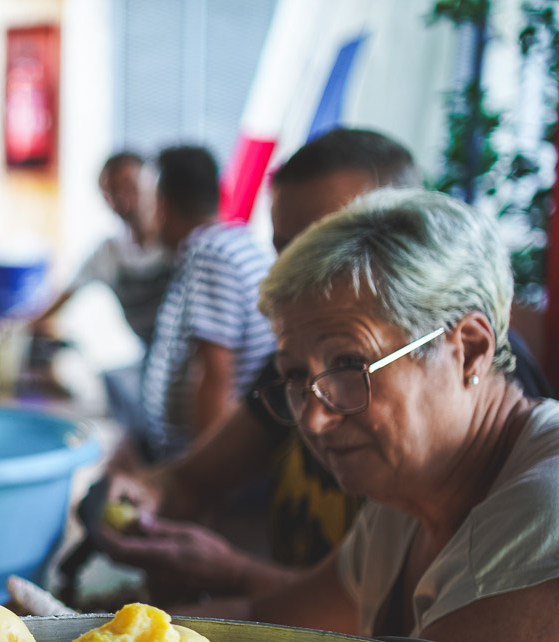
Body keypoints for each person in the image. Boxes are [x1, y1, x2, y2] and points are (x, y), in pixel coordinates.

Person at [93, 129, 551, 603]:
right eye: (286, 249)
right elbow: (338, 607)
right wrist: (142, 494)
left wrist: (230, 573)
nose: (313, 417)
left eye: (335, 242)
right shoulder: (319, 385)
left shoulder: (478, 440)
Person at [241, 188, 559, 642]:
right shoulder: (409, 491)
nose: (316, 420)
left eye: (351, 364)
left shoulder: (543, 516)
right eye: (296, 375)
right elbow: (265, 622)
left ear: (470, 350)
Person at [131, 145, 277, 462]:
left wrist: (198, 475)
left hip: (203, 458)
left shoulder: (210, 254)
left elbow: (214, 374)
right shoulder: (234, 242)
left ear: (161, 206)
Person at [29, 151, 173, 347]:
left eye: (129, 187)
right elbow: (65, 295)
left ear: (151, 185)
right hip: (150, 354)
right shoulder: (109, 252)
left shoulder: (175, 242)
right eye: (111, 192)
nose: (122, 200)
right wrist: (21, 326)